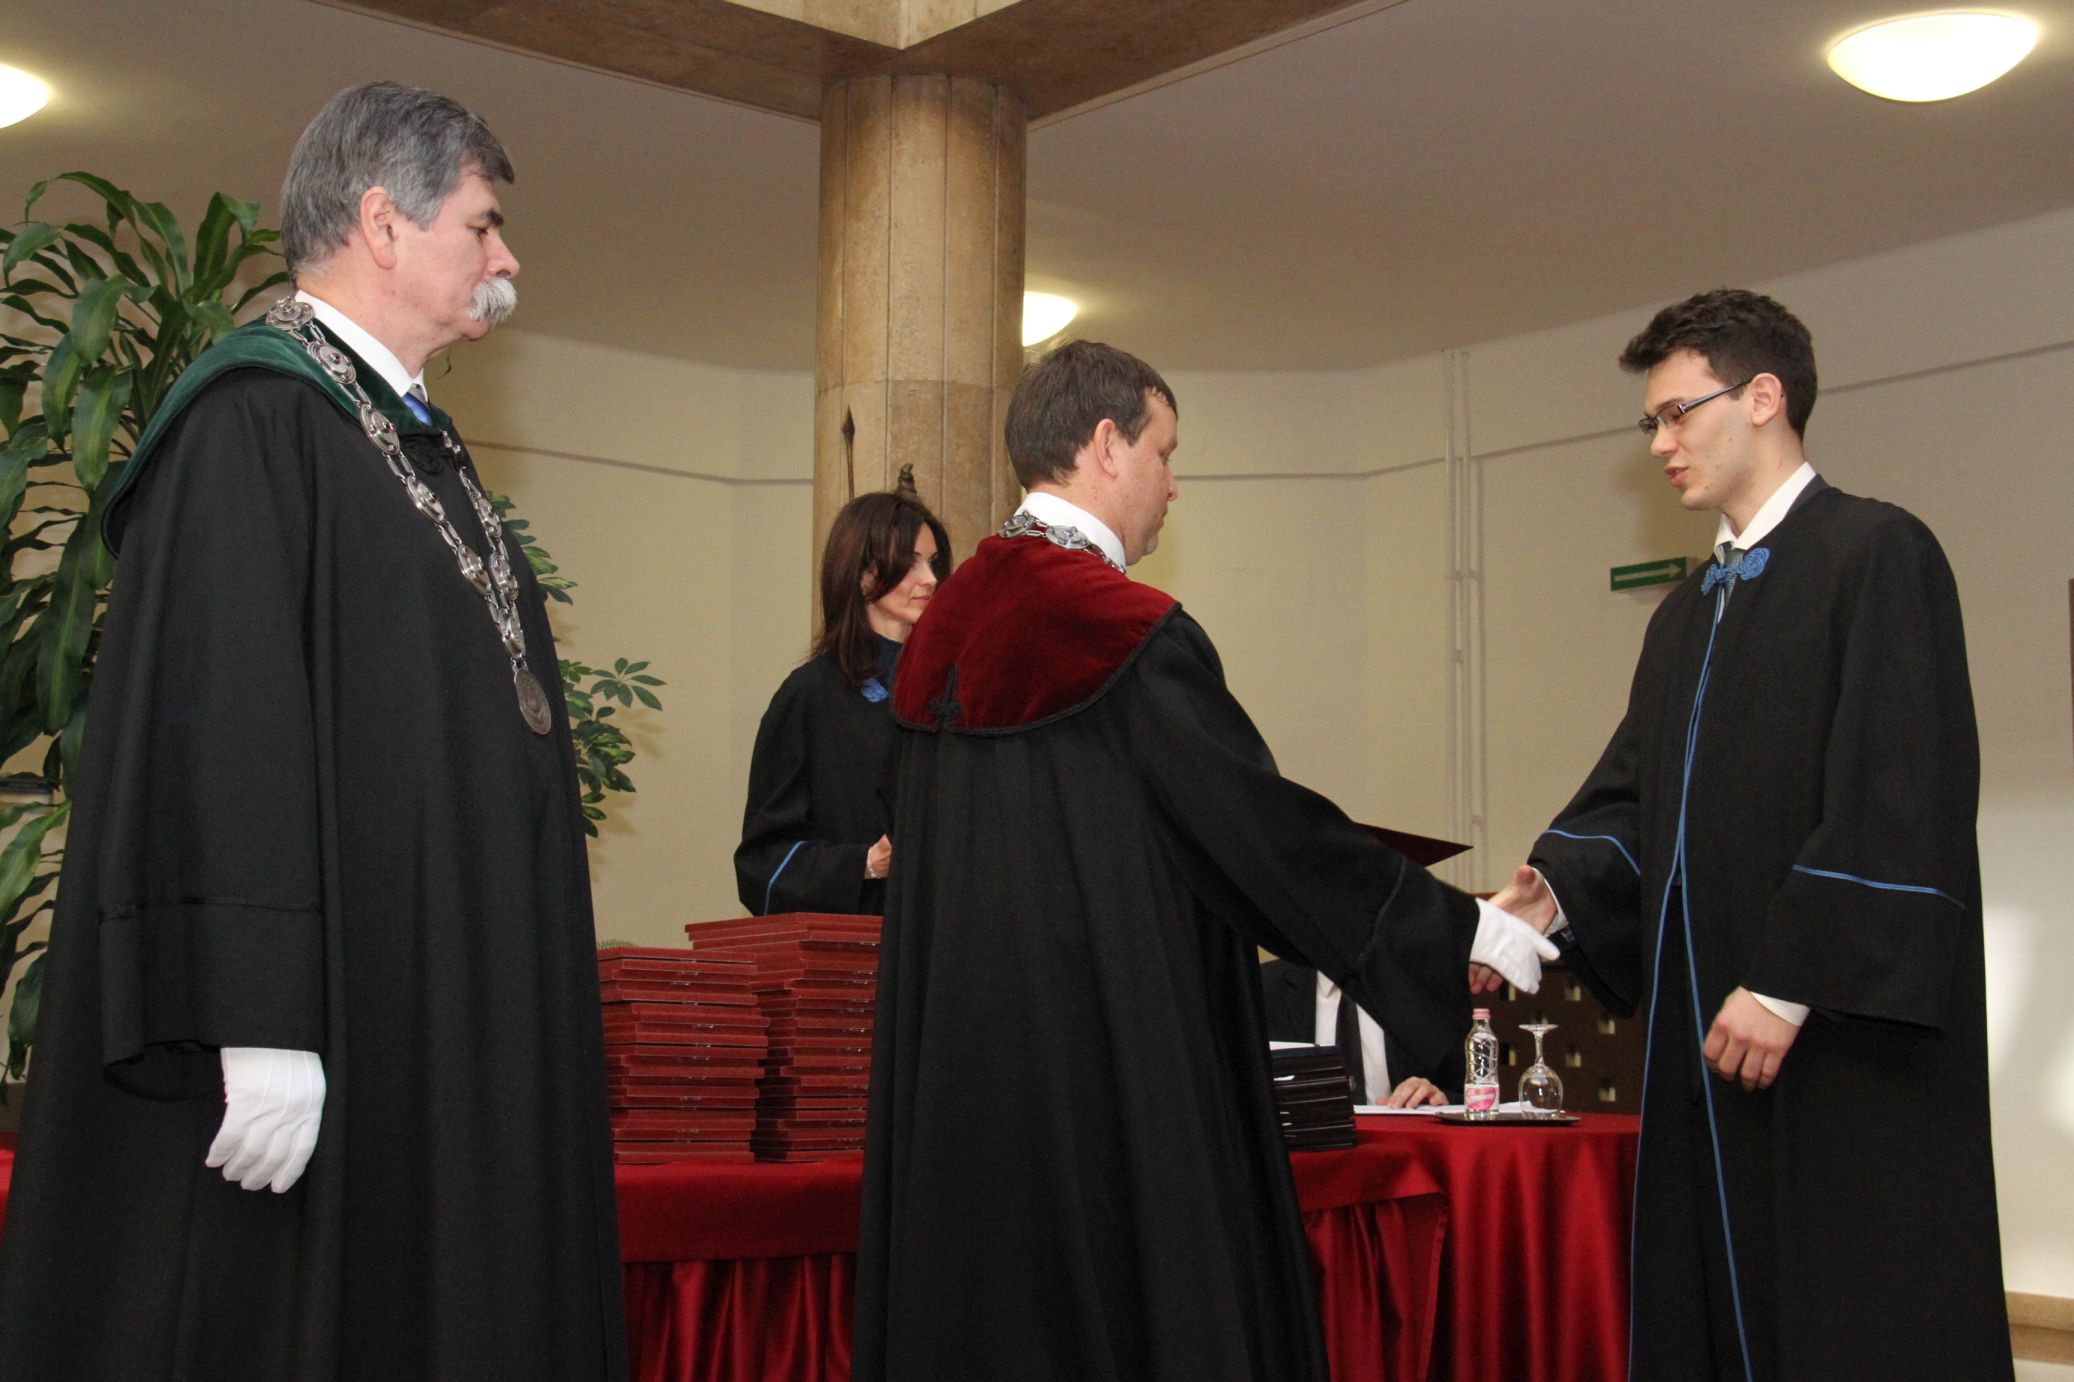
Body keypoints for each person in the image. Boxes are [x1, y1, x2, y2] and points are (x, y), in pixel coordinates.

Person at [0, 83, 627, 1380]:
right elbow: (224, 728)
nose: (507, 259)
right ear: (383, 223)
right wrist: (260, 1016)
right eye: (483, 224)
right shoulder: (250, 421)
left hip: (428, 1010)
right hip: (321, 1025)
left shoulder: (399, 439)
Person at [853, 339, 1557, 1382]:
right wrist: (1458, 926)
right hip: (1107, 1066)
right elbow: (1257, 831)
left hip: (962, 1079)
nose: (1174, 485)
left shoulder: (937, 631)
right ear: (1106, 445)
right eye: (1165, 452)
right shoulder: (1123, 629)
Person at [1493, 289, 2010, 1381]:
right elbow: (1636, 793)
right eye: (1651, 422)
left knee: (1845, 1313)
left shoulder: (1877, 552)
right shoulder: (1686, 613)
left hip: (1841, 1045)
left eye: (1677, 413)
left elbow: (1900, 788)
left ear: (1764, 396)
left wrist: (1786, 982)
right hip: (1707, 1051)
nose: (1660, 443)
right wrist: (1556, 886)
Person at [735, 483, 949, 915]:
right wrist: (865, 863)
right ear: (863, 573)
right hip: (860, 938)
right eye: (910, 562)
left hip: (949, 932)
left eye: (933, 563)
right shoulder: (810, 696)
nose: (930, 579)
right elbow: (761, 865)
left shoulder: (958, 690)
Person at [1258, 958, 1460, 1106]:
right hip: (1305, 1146)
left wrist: (1436, 1096)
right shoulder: (1264, 986)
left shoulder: (1425, 984)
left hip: (1402, 1144)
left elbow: (1467, 1091)